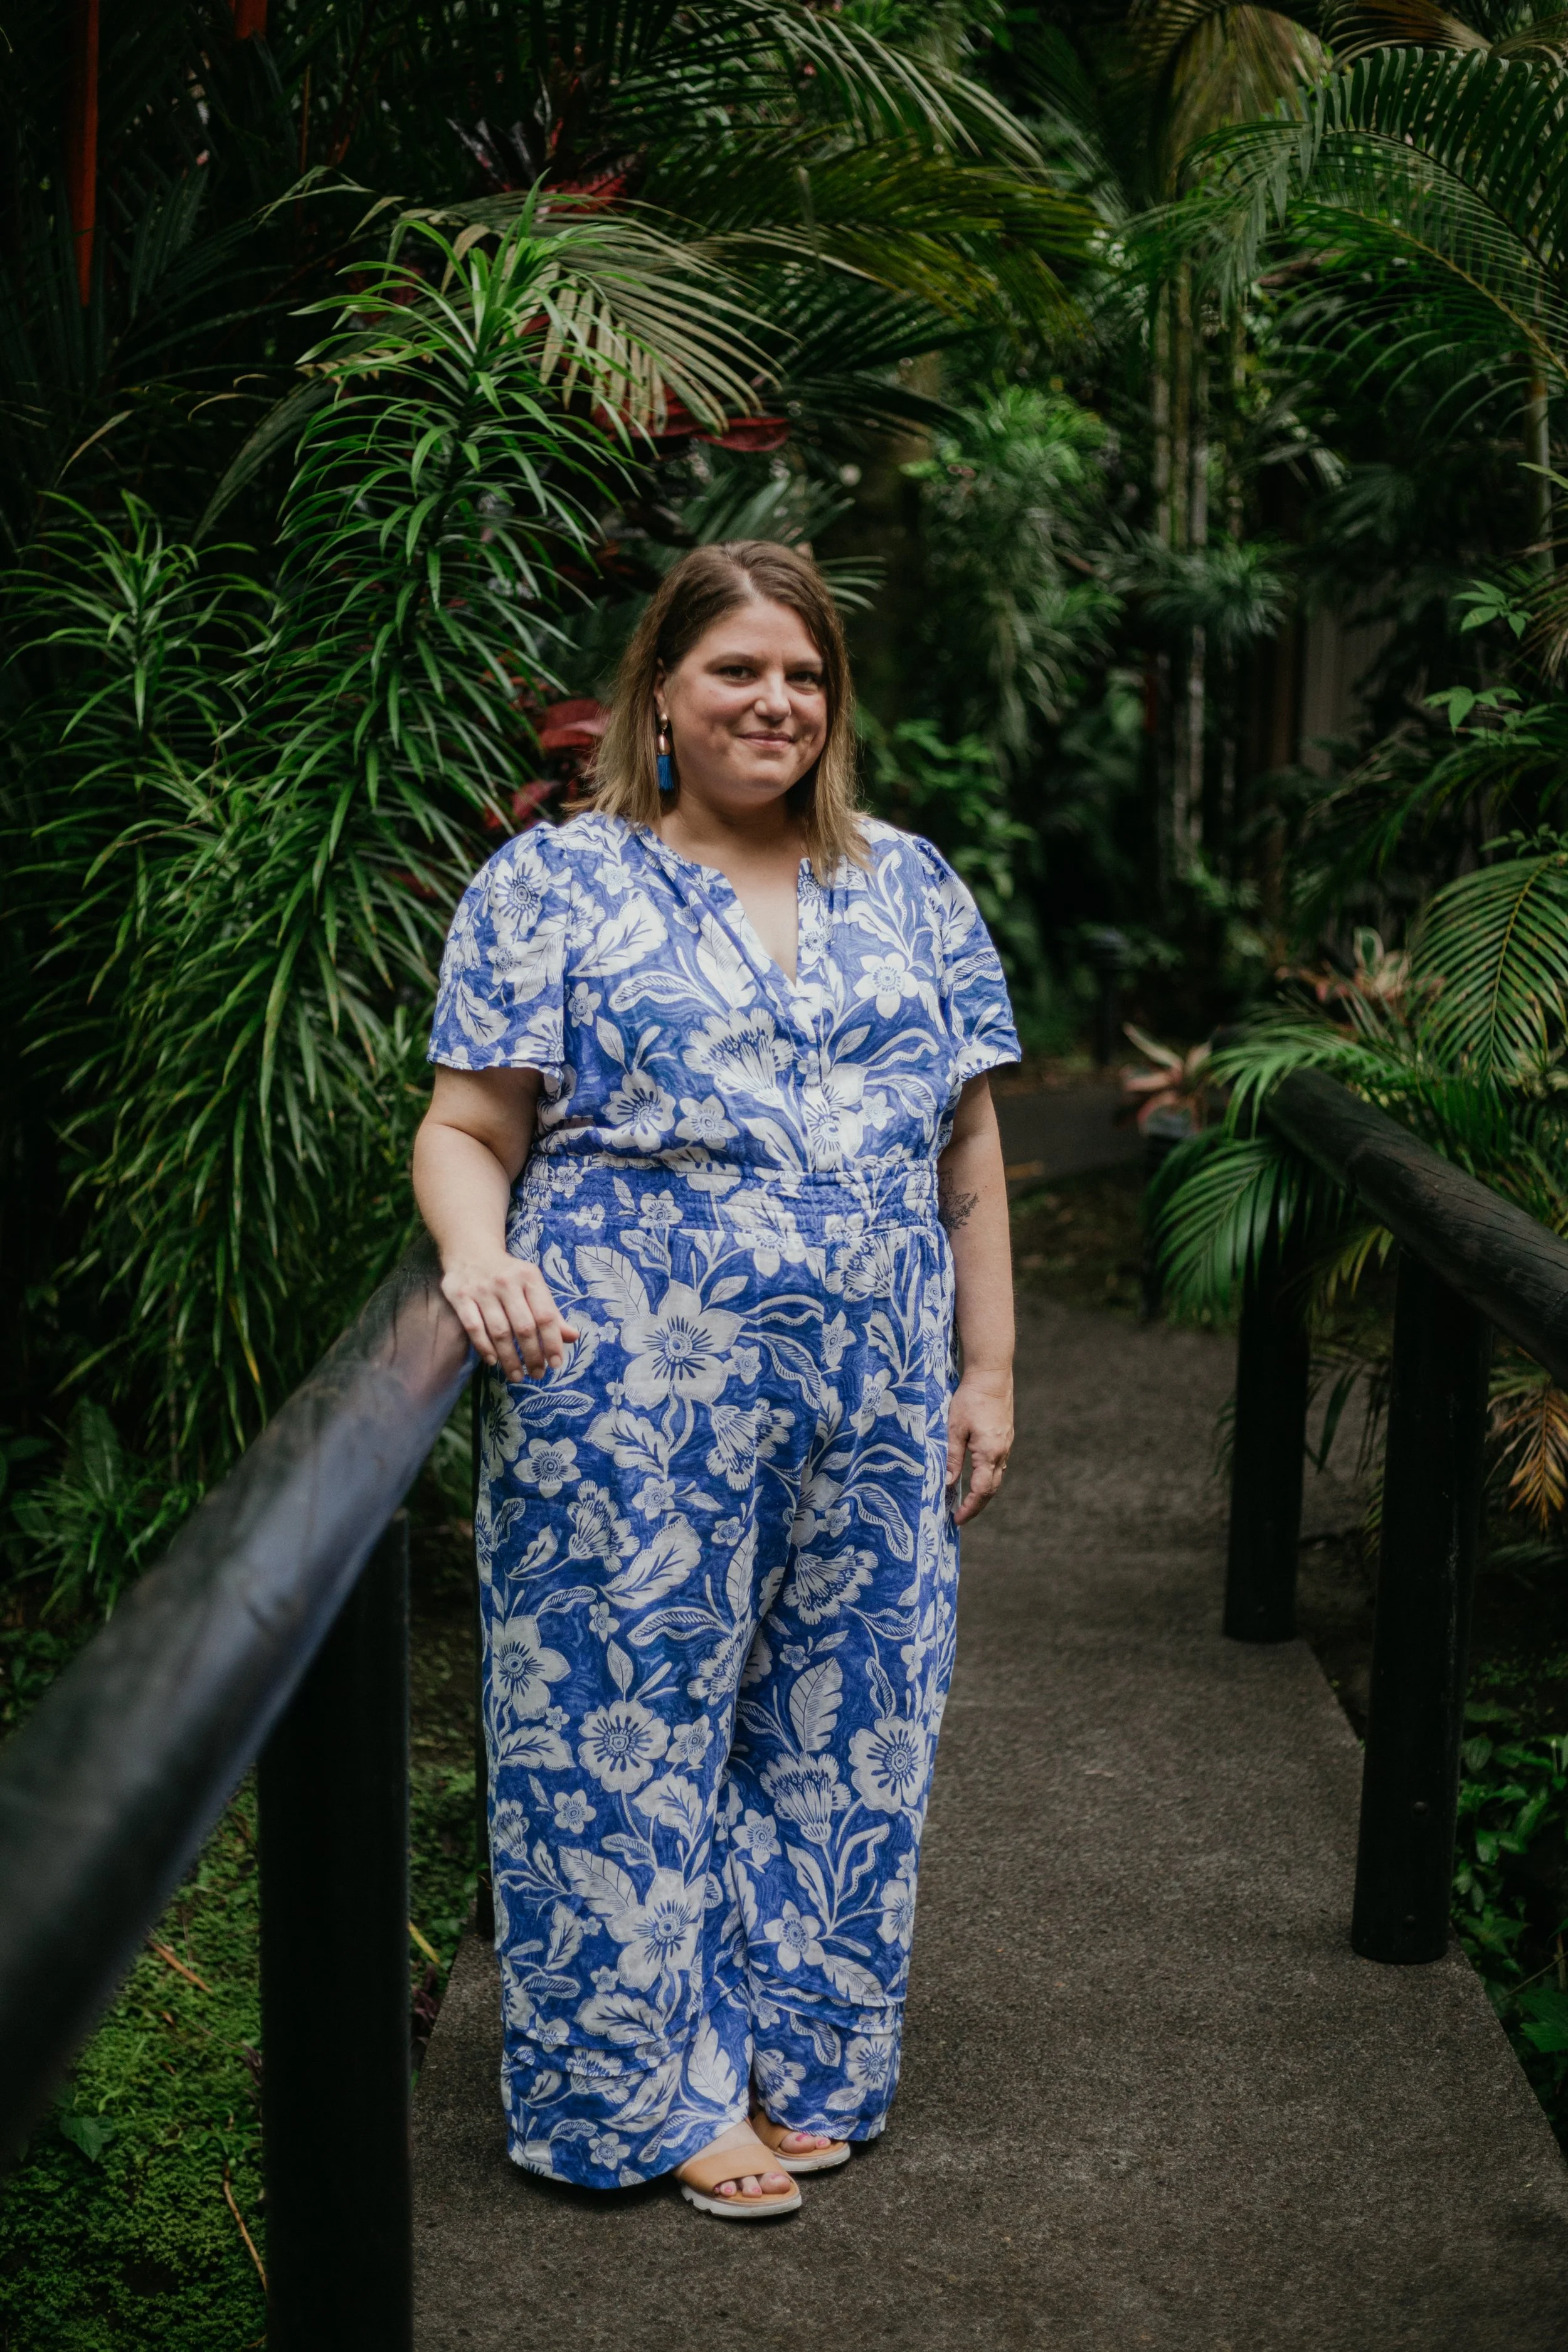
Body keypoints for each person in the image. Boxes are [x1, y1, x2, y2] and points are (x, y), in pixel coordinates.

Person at [413, 539, 1018, 2220]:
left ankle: (804, 2049)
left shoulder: (909, 881)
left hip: (878, 1396)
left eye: (805, 674)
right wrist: (476, 1255)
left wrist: (988, 1369)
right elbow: (469, 1124)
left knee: (852, 1724)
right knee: (618, 1726)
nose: (776, 700)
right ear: (659, 694)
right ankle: (640, 2093)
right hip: (626, 1394)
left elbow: (967, 1144)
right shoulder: (554, 883)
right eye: (739, 670)